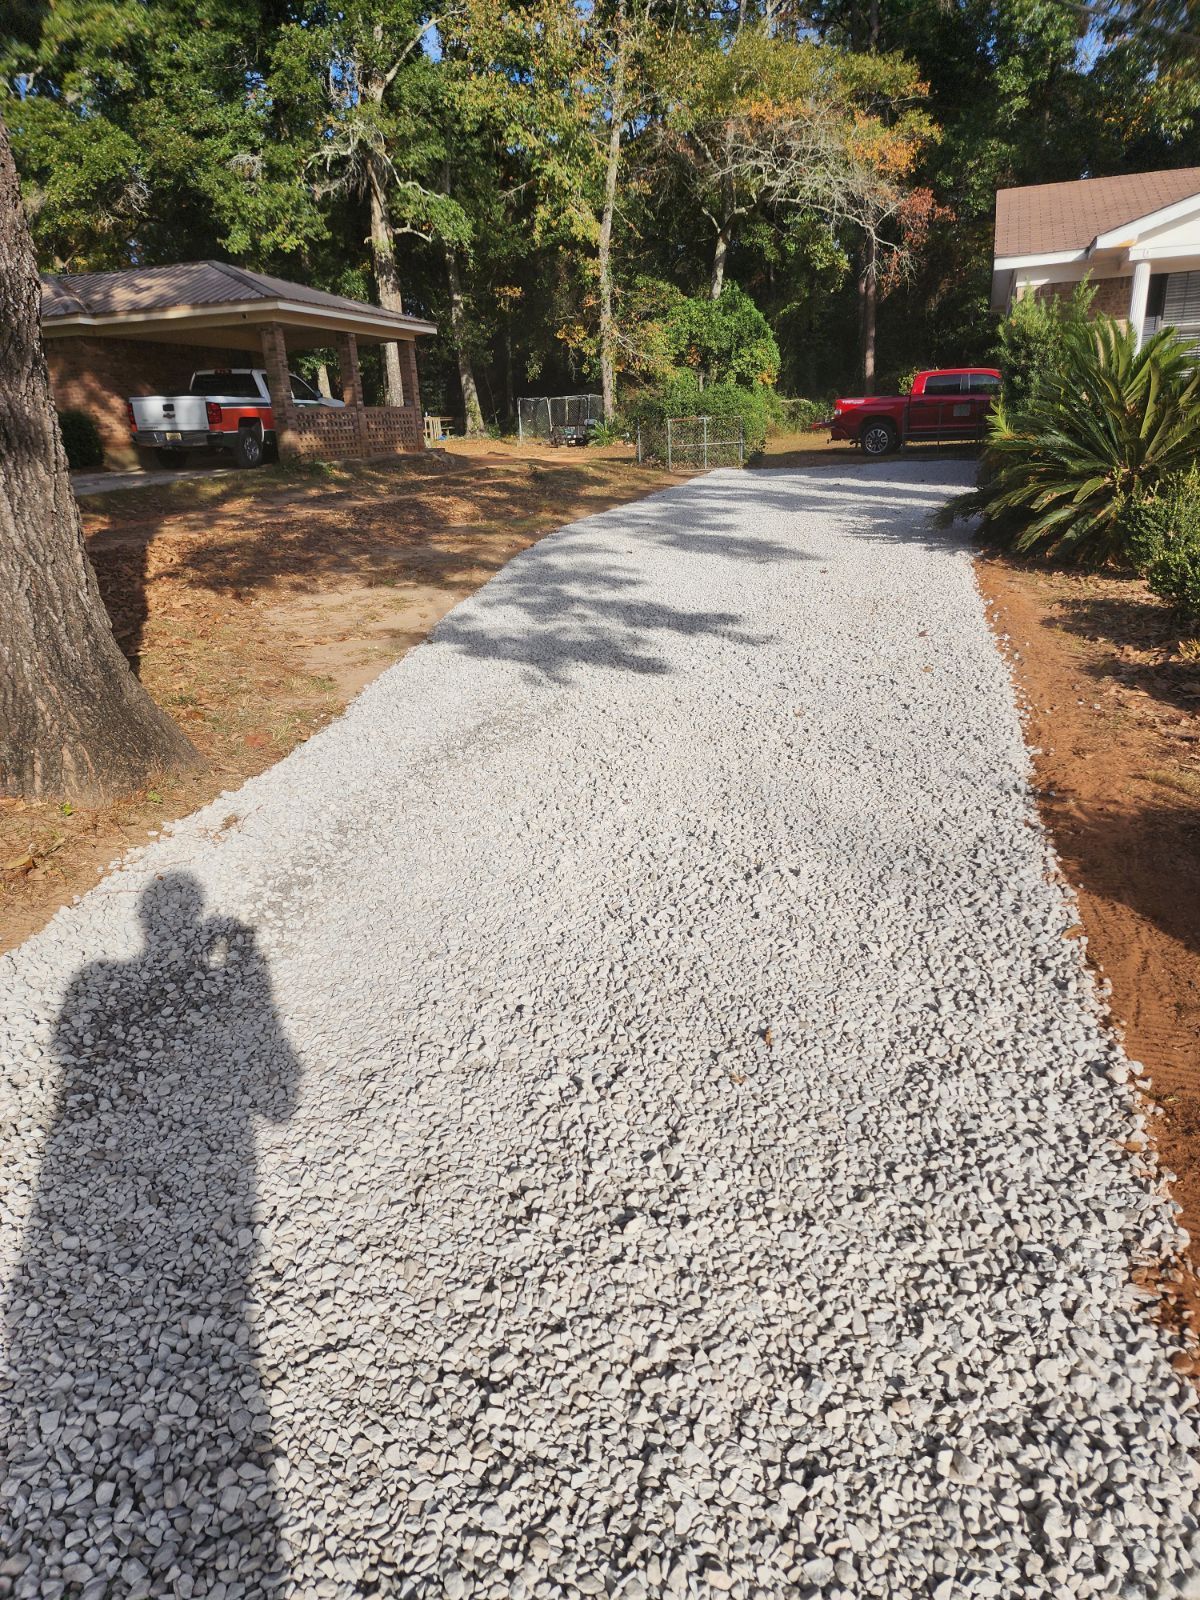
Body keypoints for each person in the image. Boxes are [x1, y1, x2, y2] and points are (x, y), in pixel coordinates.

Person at [1, 872, 300, 1598]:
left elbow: (68, 1053)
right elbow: (281, 1100)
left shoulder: (96, 979)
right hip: (222, 1201)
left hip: (63, 1197)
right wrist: (252, 982)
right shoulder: (136, 980)